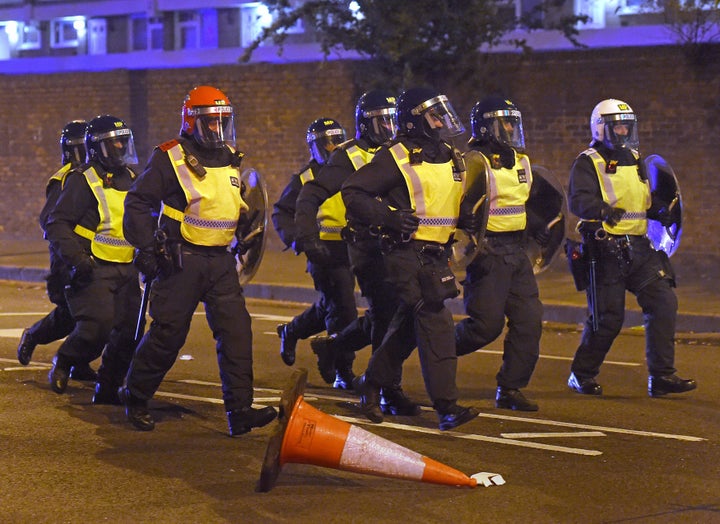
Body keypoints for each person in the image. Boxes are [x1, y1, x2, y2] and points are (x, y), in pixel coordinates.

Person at [120, 85, 277, 435]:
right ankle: (135, 395)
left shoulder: (232, 156)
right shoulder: (170, 157)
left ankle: (240, 411)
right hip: (180, 260)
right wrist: (147, 247)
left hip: (221, 262)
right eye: (210, 122)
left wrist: (248, 230)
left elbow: (236, 207)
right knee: (168, 335)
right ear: (192, 122)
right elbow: (137, 203)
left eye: (223, 122)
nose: (217, 130)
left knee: (237, 333)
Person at [342, 86, 479, 431]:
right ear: (415, 121)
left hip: (438, 253)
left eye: (443, 114)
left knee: (405, 330)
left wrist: (465, 219)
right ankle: (447, 407)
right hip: (404, 253)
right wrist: (387, 217)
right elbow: (353, 192)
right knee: (436, 321)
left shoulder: (451, 154)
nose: (442, 121)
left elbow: (444, 200)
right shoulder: (396, 155)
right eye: (434, 116)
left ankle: (370, 387)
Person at [566, 98, 696, 397]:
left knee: (664, 303)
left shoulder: (635, 157)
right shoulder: (588, 161)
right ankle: (581, 374)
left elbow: (643, 200)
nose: (623, 131)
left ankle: (662, 376)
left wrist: (660, 210)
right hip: (605, 251)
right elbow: (577, 200)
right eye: (617, 126)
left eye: (627, 126)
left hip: (639, 248)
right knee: (608, 320)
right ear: (601, 128)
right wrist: (601, 210)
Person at [293, 90, 403, 398]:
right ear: (365, 124)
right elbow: (311, 194)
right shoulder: (348, 155)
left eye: (392, 121)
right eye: (382, 122)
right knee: (380, 312)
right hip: (365, 247)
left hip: (399, 247)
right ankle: (386, 388)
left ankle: (334, 346)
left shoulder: (401, 152)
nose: (389, 129)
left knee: (394, 313)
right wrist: (305, 236)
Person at [454, 97, 543, 412]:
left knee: (530, 321)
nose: (509, 128)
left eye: (512, 122)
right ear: (485, 127)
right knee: (485, 326)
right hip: (488, 252)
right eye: (503, 122)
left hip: (517, 252)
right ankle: (436, 352)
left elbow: (525, 203)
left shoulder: (522, 161)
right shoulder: (473, 162)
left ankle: (511, 388)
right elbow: (462, 207)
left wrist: (539, 230)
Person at [44, 115, 142, 401]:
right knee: (96, 328)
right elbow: (56, 224)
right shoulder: (82, 180)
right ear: (97, 148)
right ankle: (64, 360)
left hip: (127, 267)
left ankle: (108, 387)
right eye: (115, 143)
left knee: (130, 332)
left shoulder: (134, 179)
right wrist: (78, 260)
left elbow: (145, 219)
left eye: (124, 141)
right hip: (94, 266)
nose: (122, 147)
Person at [272, 117, 362, 382]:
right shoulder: (306, 178)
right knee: (345, 310)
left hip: (351, 249)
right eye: (325, 143)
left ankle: (291, 331)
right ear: (312, 147)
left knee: (330, 307)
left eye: (336, 141)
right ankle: (342, 369)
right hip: (322, 251)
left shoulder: (349, 170)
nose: (332, 147)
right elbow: (281, 213)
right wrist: (301, 241)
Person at [16, 120, 96, 381]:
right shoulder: (64, 179)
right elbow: (49, 220)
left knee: (97, 314)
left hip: (99, 255)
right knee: (71, 315)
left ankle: (78, 362)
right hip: (68, 259)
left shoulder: (99, 176)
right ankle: (35, 335)